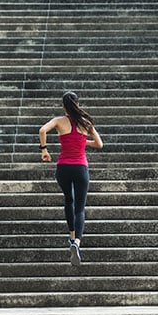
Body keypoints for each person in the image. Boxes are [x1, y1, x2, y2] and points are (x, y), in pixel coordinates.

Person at [39, 91, 103, 266]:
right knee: (80, 207)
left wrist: (44, 150)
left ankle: (72, 235)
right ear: (78, 105)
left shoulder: (59, 121)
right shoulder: (86, 123)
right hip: (80, 168)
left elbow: (42, 130)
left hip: (63, 168)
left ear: (63, 106)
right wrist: (83, 141)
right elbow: (99, 144)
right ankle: (77, 242)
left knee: (69, 200)